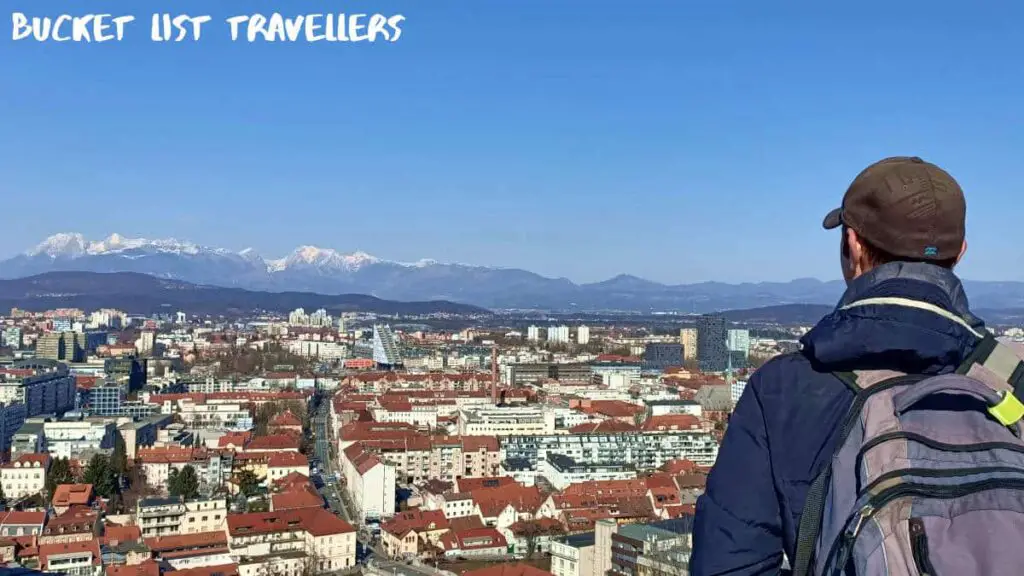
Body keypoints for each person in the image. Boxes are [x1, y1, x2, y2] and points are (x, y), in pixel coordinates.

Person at [690, 156, 977, 575]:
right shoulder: (1010, 376)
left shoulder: (785, 389)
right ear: (960, 253)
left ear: (853, 244)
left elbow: (728, 568)